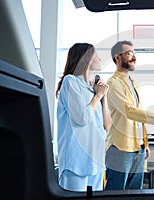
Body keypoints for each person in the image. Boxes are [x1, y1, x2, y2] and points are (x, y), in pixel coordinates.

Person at [104, 40, 154, 190]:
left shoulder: (131, 82)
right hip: (120, 148)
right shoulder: (113, 83)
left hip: (137, 148)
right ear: (117, 57)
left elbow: (139, 119)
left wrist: (144, 143)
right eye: (130, 53)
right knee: (115, 193)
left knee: (135, 192)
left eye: (135, 54)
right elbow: (130, 112)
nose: (134, 57)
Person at [56, 43, 111, 191]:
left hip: (95, 160)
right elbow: (82, 118)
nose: (99, 58)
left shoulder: (93, 89)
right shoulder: (70, 82)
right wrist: (98, 96)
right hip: (76, 161)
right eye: (96, 55)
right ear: (86, 58)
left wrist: (103, 96)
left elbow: (107, 125)